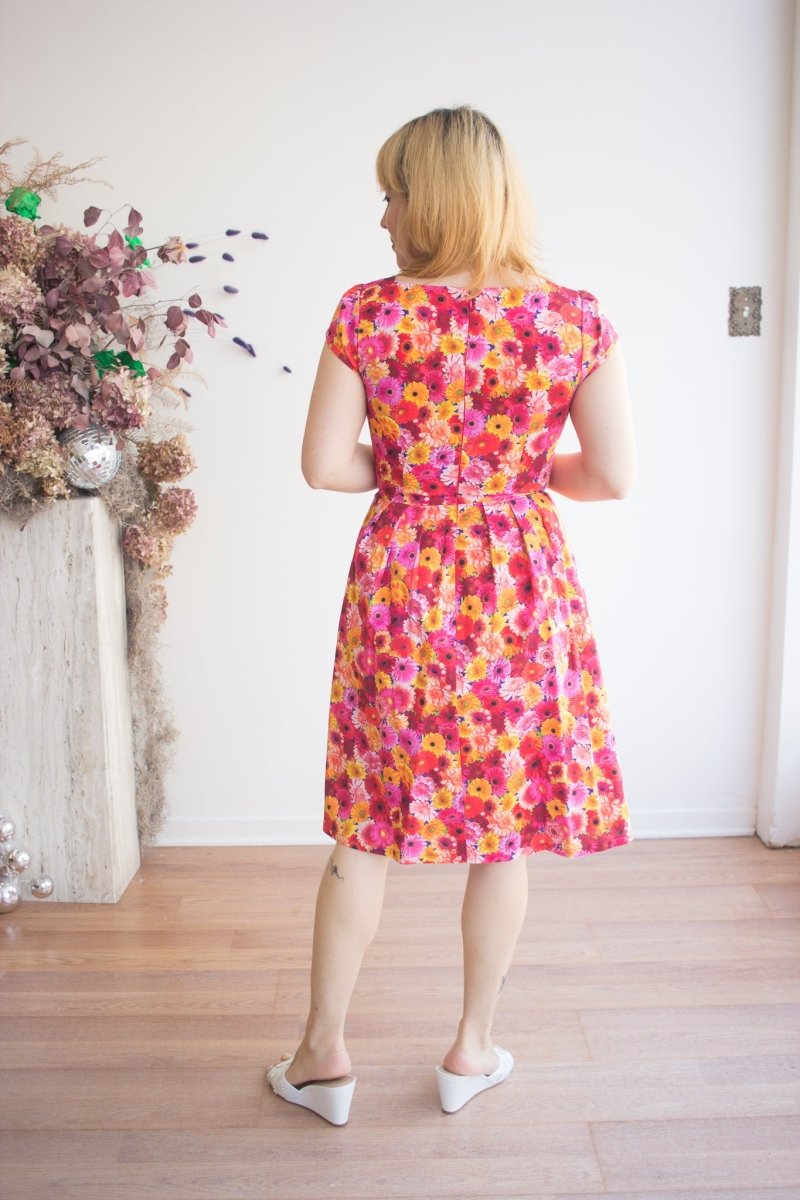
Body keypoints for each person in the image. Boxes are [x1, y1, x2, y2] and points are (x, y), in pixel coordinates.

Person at [269, 105, 636, 1126]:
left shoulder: (368, 314)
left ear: (428, 201)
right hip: (517, 586)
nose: (383, 217)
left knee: (366, 824)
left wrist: (419, 472)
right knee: (500, 831)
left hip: (402, 581)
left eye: (391, 195)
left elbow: (323, 466)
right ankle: (471, 1052)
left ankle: (321, 1058)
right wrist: (510, 475)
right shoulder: (573, 318)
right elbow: (609, 476)